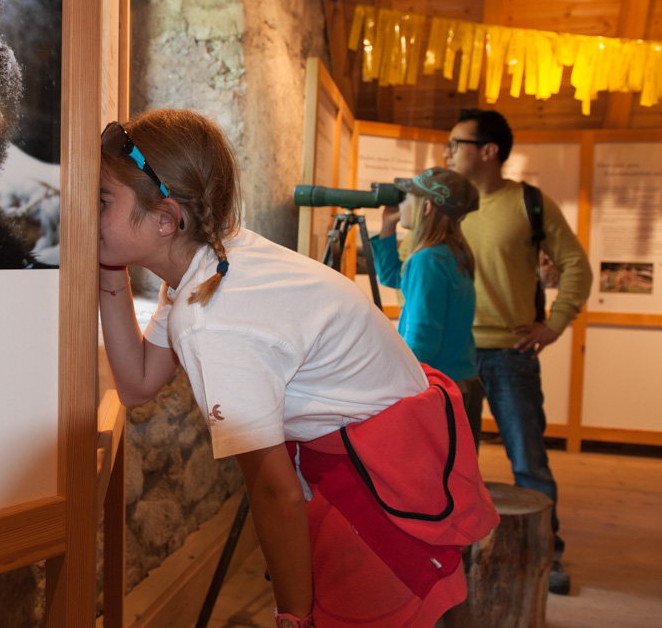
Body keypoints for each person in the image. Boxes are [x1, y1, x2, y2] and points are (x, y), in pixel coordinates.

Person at [99, 108, 498, 628]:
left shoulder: (214, 317)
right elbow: (136, 382)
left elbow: (274, 492)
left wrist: (294, 615)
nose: (88, 211)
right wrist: (108, 268)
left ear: (165, 218)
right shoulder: (217, 261)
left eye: (104, 201)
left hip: (377, 506)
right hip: (387, 474)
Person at [445, 108, 593, 595]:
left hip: (511, 355)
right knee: (452, 462)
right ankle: (453, 556)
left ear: (487, 151)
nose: (448, 152)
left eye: (456, 143)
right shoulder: (448, 204)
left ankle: (545, 556)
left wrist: (554, 326)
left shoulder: (530, 202)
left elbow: (576, 266)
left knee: (527, 460)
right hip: (456, 355)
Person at [369, 167, 485, 450]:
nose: (400, 204)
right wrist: (387, 228)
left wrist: (401, 388)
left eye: (408, 198)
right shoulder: (453, 253)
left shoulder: (427, 260)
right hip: (462, 381)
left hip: (438, 388)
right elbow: (394, 277)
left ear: (427, 207)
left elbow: (422, 334)